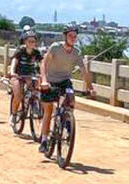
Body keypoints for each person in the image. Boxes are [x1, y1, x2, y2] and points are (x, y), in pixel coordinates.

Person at [38, 24, 94, 153]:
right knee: (48, 110)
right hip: (51, 81)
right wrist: (44, 81)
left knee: (71, 100)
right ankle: (44, 140)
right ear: (65, 36)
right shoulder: (55, 48)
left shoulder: (76, 53)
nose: (73, 38)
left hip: (65, 82)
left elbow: (84, 72)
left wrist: (90, 88)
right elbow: (43, 64)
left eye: (75, 36)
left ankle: (67, 122)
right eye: (70, 36)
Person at [9, 29, 42, 119]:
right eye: (29, 41)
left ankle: (34, 103)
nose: (32, 43)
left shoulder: (36, 52)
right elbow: (14, 61)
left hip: (30, 74)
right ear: (25, 41)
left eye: (33, 41)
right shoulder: (20, 50)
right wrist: (12, 72)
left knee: (35, 89)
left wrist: (42, 74)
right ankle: (14, 114)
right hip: (18, 74)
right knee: (18, 95)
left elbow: (41, 64)